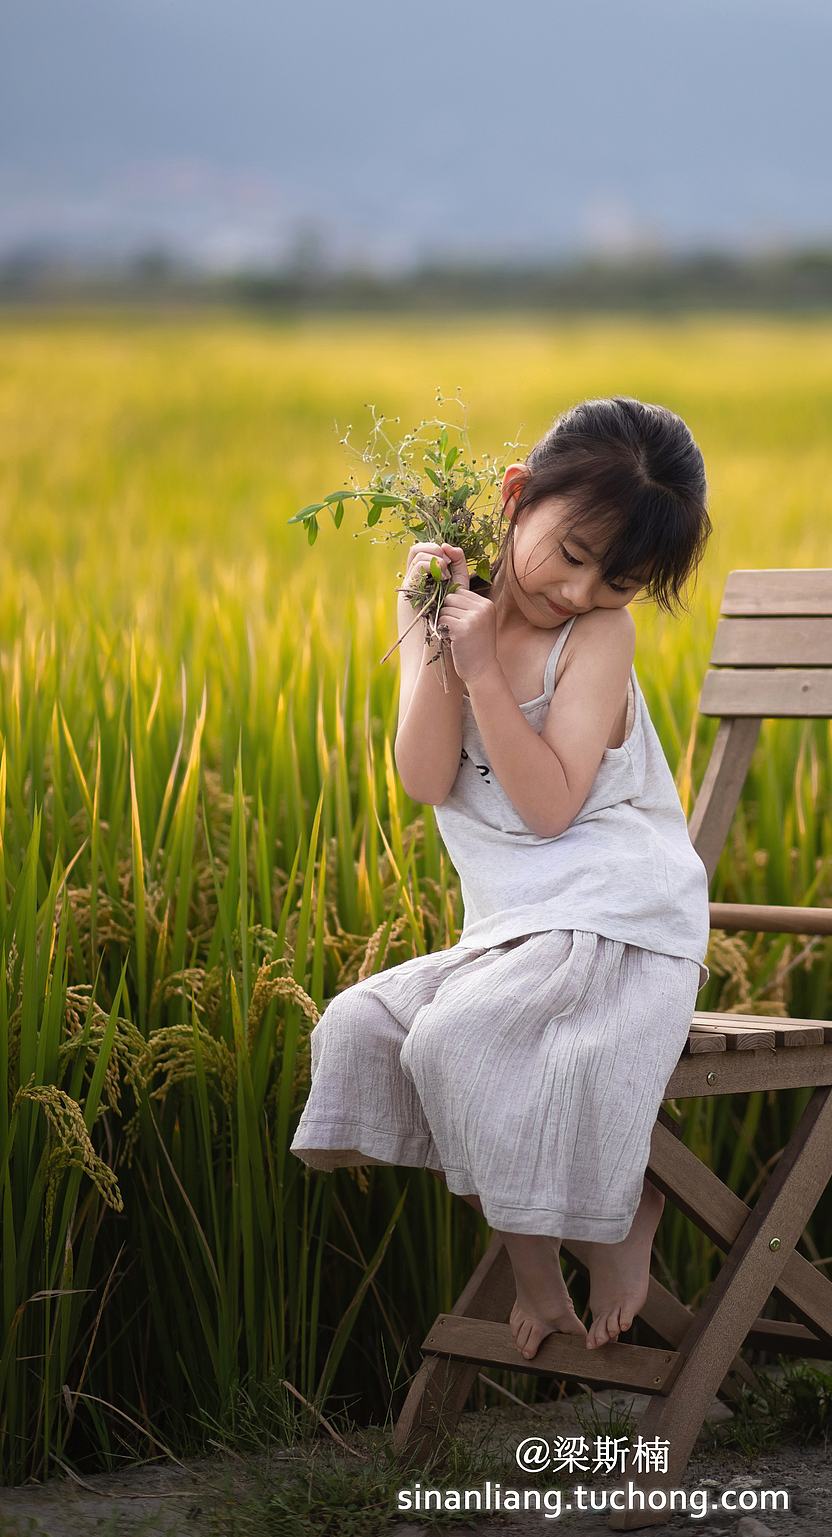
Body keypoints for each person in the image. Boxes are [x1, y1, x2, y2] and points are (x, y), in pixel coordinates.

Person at [292, 397, 712, 1359]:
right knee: (363, 1027)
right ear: (518, 497)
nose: (581, 592)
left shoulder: (598, 639)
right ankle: (618, 1202)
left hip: (621, 919)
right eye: (572, 555)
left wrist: (486, 670)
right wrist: (442, 637)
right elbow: (427, 777)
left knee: (452, 1040)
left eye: (620, 581)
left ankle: (562, 1255)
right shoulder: (441, 604)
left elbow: (552, 808)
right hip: (513, 930)